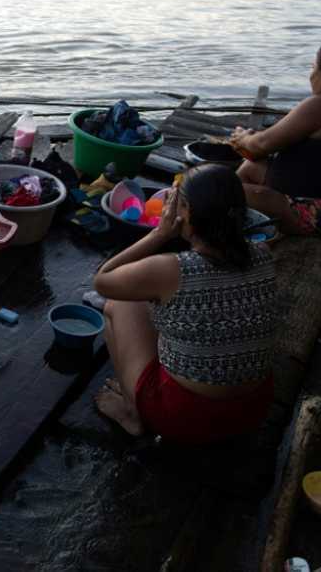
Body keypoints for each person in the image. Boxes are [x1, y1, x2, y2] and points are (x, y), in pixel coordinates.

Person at [92, 164, 278, 445]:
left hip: (184, 418)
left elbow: (103, 281)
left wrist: (159, 235)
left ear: (187, 212)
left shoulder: (172, 270)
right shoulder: (263, 254)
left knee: (119, 305)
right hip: (252, 411)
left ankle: (133, 414)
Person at [229, 40, 321, 237]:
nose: (310, 75)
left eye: (312, 67)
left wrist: (243, 137)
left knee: (218, 187)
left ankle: (234, 235)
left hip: (315, 214)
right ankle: (242, 225)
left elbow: (261, 145)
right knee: (252, 167)